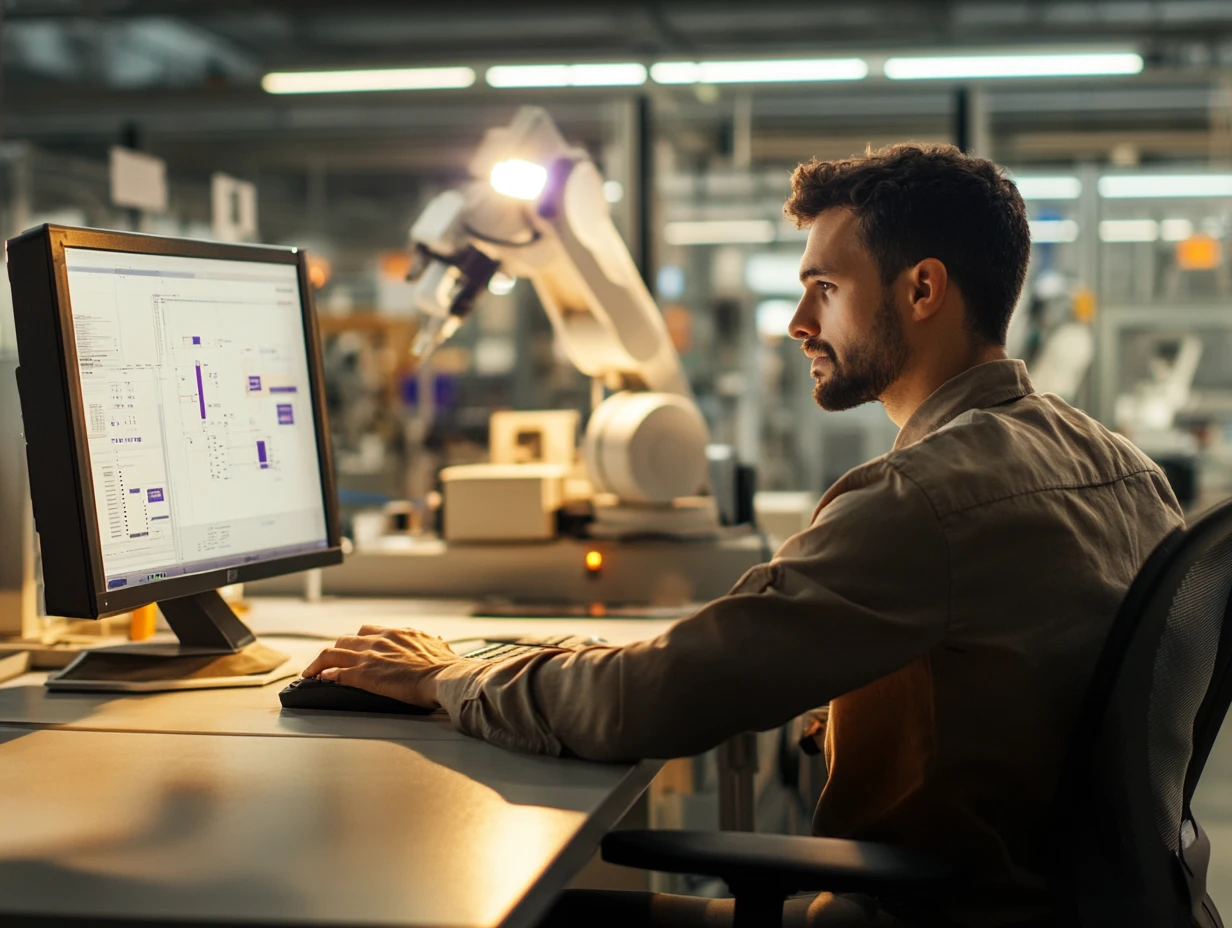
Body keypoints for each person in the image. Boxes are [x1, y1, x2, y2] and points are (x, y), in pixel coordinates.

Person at [303, 144, 1183, 926]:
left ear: (923, 289)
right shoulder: (1127, 469)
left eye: (825, 290)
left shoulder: (922, 497)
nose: (799, 324)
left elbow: (645, 702)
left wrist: (452, 677)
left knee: (516, 909)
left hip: (926, 911)